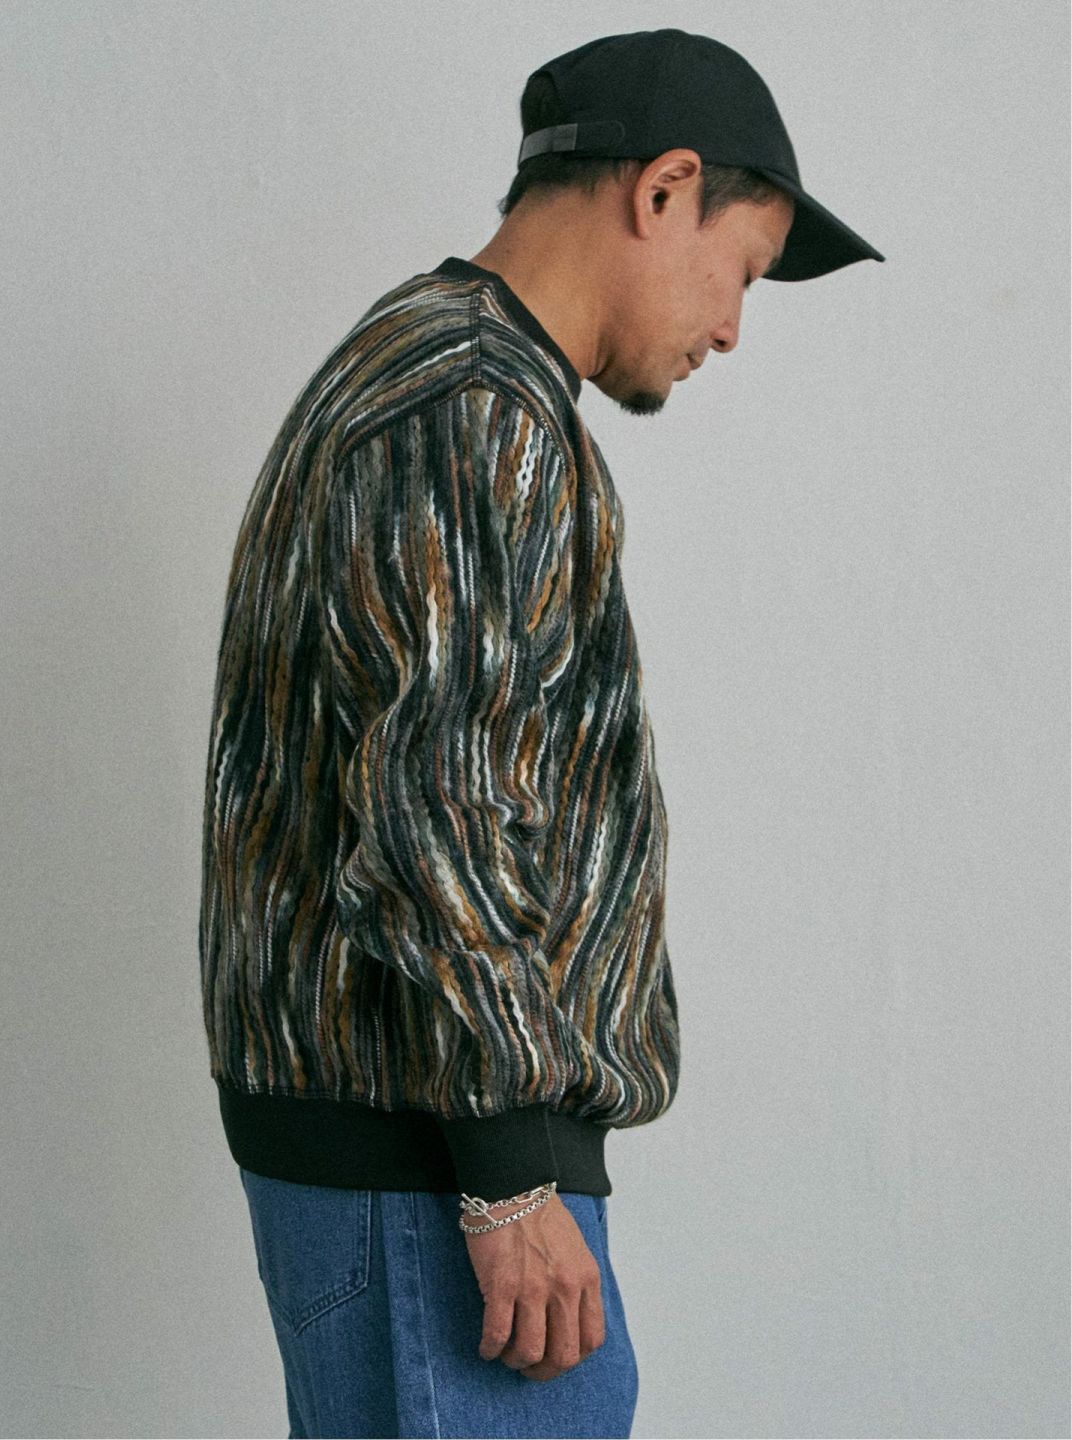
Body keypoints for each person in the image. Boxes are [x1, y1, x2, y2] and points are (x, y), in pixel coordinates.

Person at [197, 26, 884, 1439]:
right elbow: (440, 800)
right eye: (743, 269)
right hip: (437, 1166)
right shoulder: (468, 404)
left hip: (421, 1150)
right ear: (663, 189)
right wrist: (509, 1167)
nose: (732, 329)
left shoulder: (440, 376)